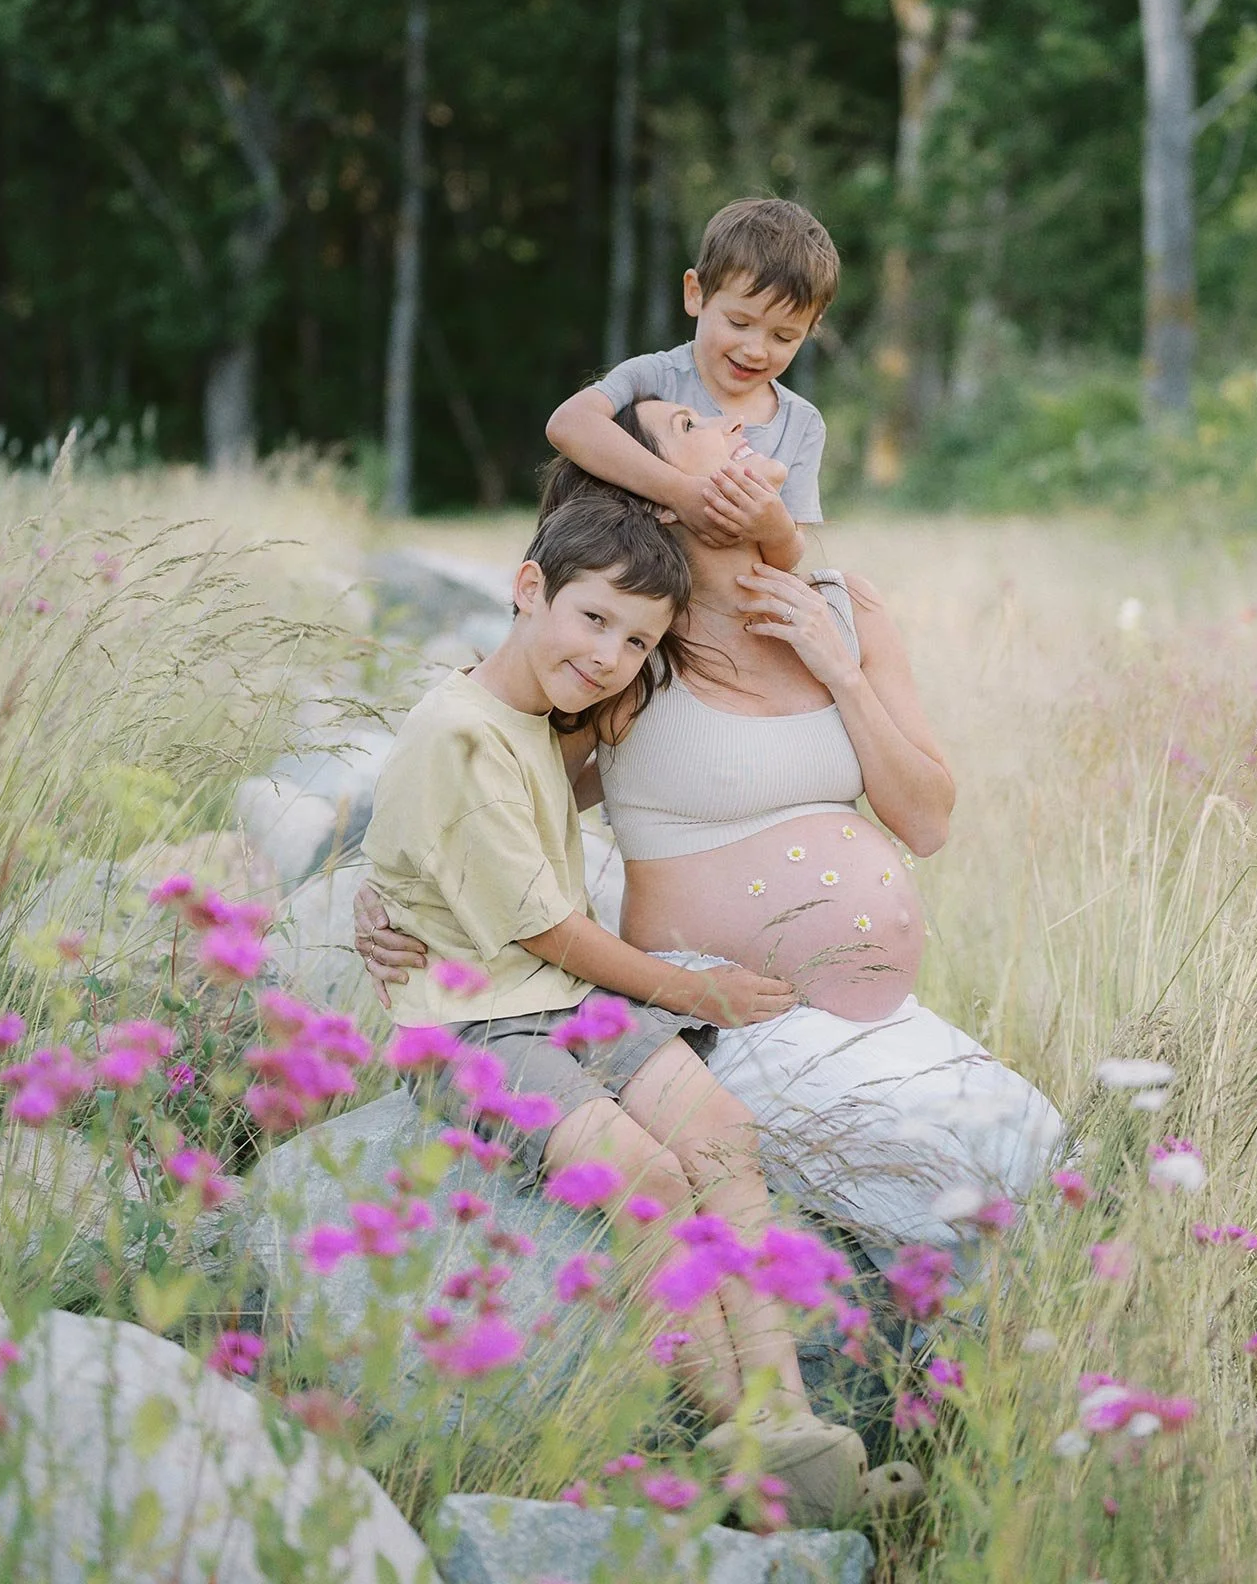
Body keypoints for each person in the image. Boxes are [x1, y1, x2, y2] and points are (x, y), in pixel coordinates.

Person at [358, 411, 1064, 1262]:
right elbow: (486, 778)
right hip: (713, 1002)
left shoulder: (843, 608)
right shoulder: (630, 653)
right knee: (953, 1173)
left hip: (872, 1012)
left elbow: (928, 820)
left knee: (1038, 1142)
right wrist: (390, 894)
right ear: (658, 494)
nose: (734, 418)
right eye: (690, 420)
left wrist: (836, 667)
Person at [360, 485, 900, 1523]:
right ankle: (732, 1432)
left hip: (557, 999)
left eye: (634, 638)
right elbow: (549, 930)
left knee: (722, 1132)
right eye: (593, 617)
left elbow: (464, 844)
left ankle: (791, 1418)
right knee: (645, 1172)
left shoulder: (529, 716)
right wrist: (700, 991)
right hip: (469, 1023)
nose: (608, 653)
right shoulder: (462, 733)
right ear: (530, 590)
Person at [546, 197, 838, 574]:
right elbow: (568, 425)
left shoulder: (802, 423)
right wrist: (680, 495)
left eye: (783, 337)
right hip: (644, 589)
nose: (755, 350)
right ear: (695, 293)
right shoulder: (656, 376)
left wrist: (775, 530)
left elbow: (788, 559)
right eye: (738, 322)